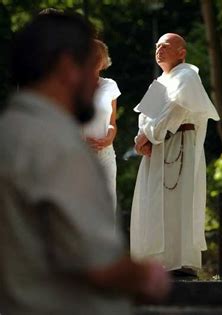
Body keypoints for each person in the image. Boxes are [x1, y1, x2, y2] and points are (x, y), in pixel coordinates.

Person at [0, 12, 170, 315]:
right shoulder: (58, 147)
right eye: (88, 68)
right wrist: (151, 275)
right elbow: (99, 265)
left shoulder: (10, 130)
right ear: (67, 68)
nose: (95, 87)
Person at [131, 33, 219, 277]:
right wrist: (143, 138)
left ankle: (179, 263)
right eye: (157, 45)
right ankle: (157, 264)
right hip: (157, 149)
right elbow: (145, 117)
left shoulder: (187, 76)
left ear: (182, 52)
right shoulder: (160, 82)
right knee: (154, 203)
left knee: (176, 202)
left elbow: (175, 110)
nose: (159, 49)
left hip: (178, 145)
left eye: (166, 46)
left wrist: (148, 135)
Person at [83, 39, 121, 212]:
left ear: (104, 61)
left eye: (98, 55)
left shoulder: (110, 86)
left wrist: (109, 137)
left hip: (105, 155)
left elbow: (112, 123)